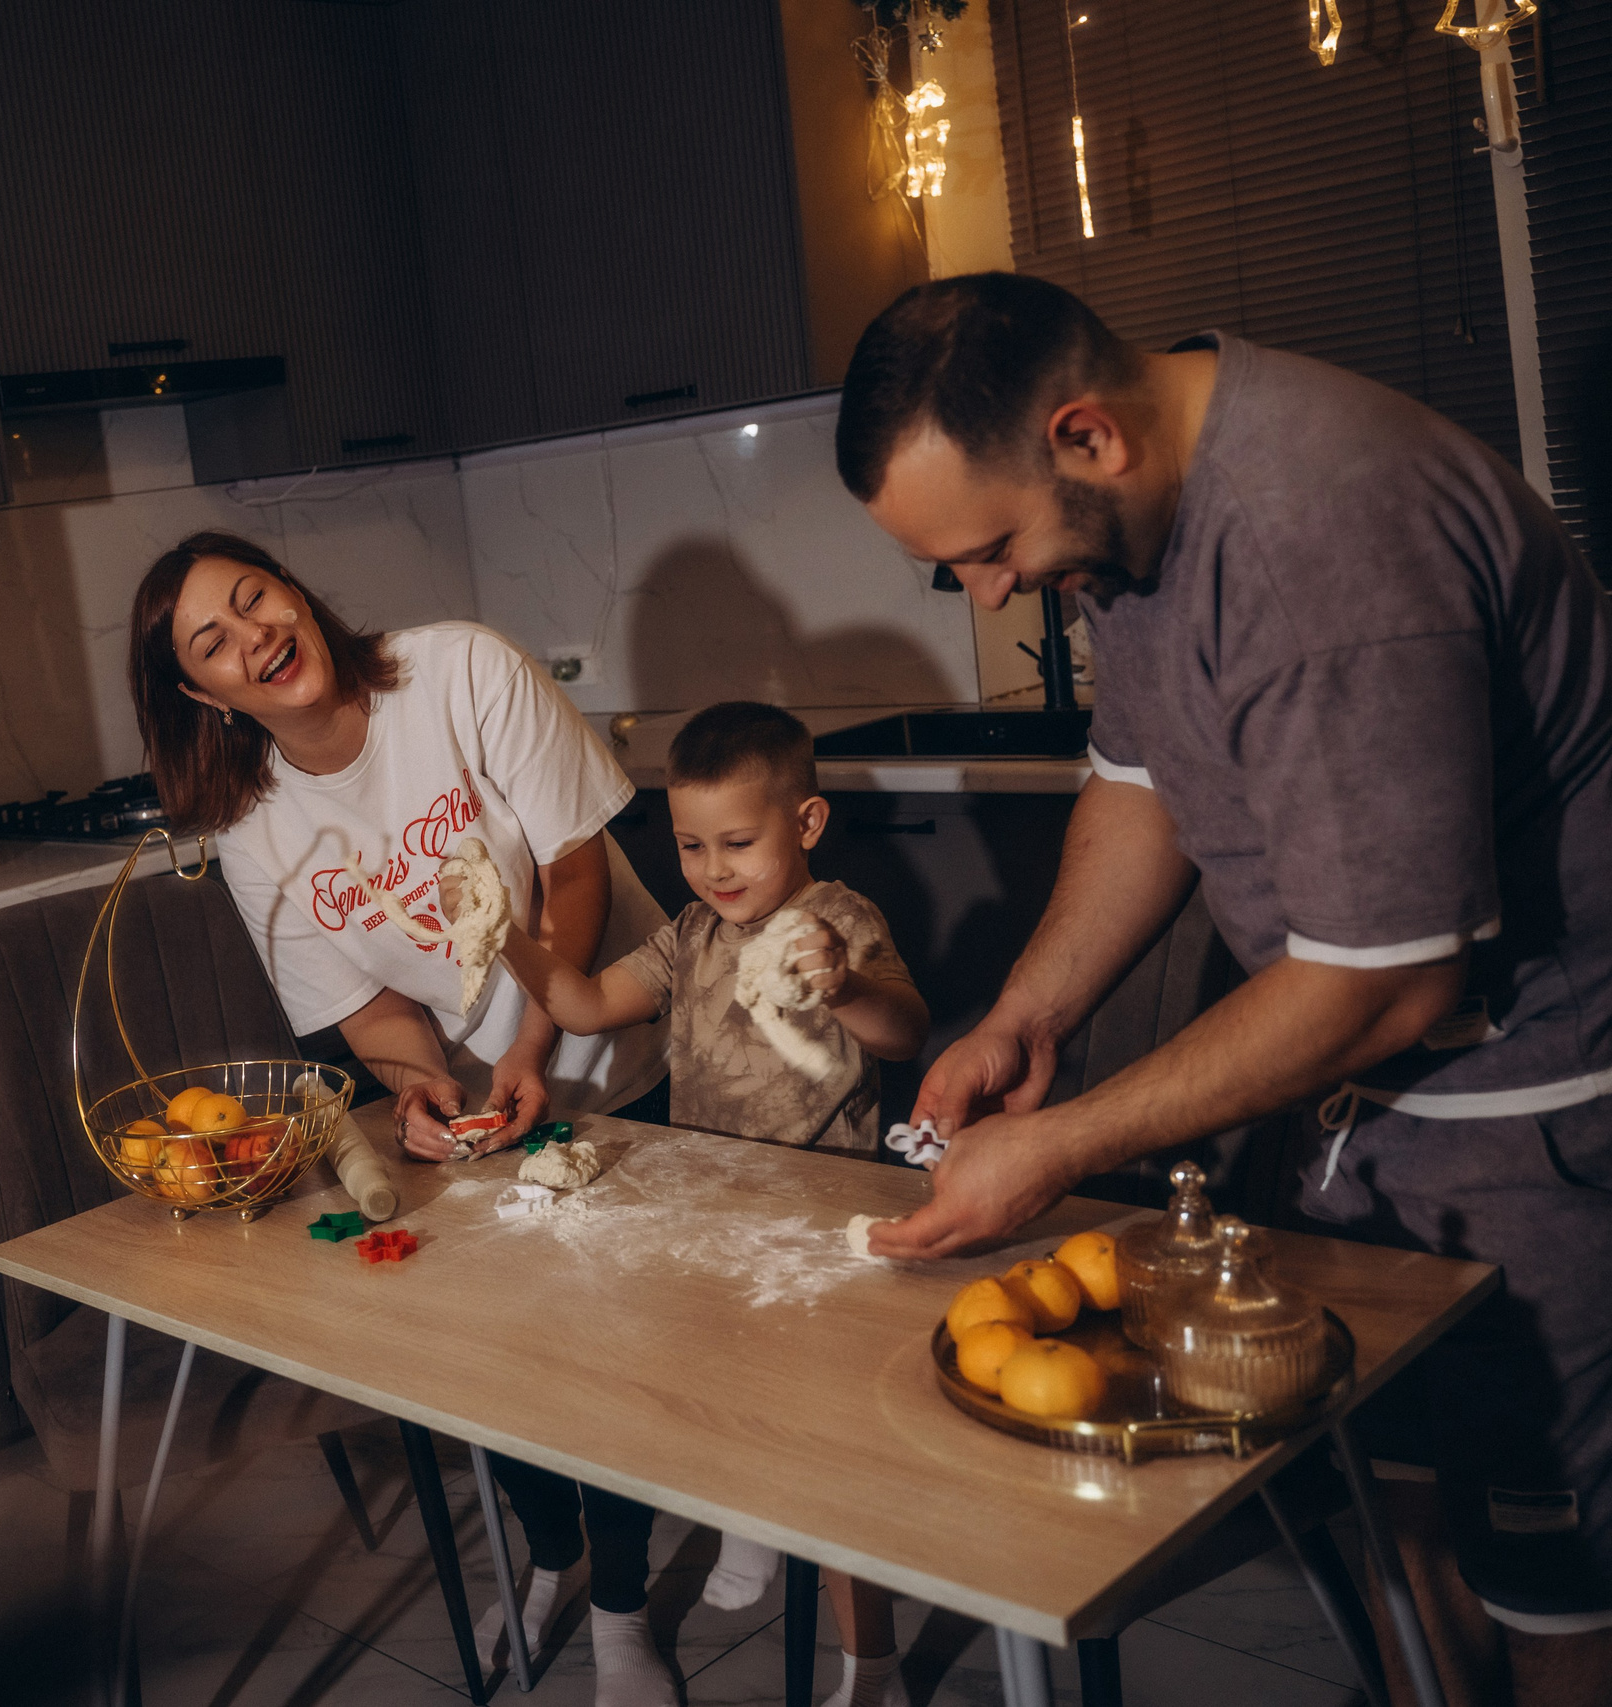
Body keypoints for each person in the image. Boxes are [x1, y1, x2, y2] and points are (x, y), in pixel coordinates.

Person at [835, 271, 1612, 1706]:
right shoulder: (1131, 532)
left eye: (991, 549)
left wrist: (1059, 1142)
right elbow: (1143, 787)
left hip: (1531, 1127)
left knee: (1554, 1582)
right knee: (1389, 1508)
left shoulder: (1324, 534)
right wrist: (1029, 1012)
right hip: (1363, 1123)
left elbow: (1382, 979)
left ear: (1087, 434)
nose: (989, 591)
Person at [127, 529, 672, 1705]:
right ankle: (553, 1561)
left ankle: (624, 1619)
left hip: (621, 1038)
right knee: (500, 1351)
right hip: (483, 1089)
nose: (254, 639)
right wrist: (413, 1085)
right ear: (198, 693)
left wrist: (535, 1040)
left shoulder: (461, 672)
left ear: (293, 591)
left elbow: (576, 866)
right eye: (211, 643)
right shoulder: (253, 823)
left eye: (253, 598)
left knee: (617, 1347)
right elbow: (364, 1003)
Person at [484, 700, 929, 1707]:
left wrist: (842, 986)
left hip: (820, 1229)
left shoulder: (839, 925)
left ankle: (873, 1671)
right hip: (710, 1220)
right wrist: (504, 937)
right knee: (695, 1401)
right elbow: (586, 1005)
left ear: (805, 826)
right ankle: (747, 1510)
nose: (714, 867)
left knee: (829, 1461)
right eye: (690, 844)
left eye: (739, 842)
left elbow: (903, 1030)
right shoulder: (688, 936)